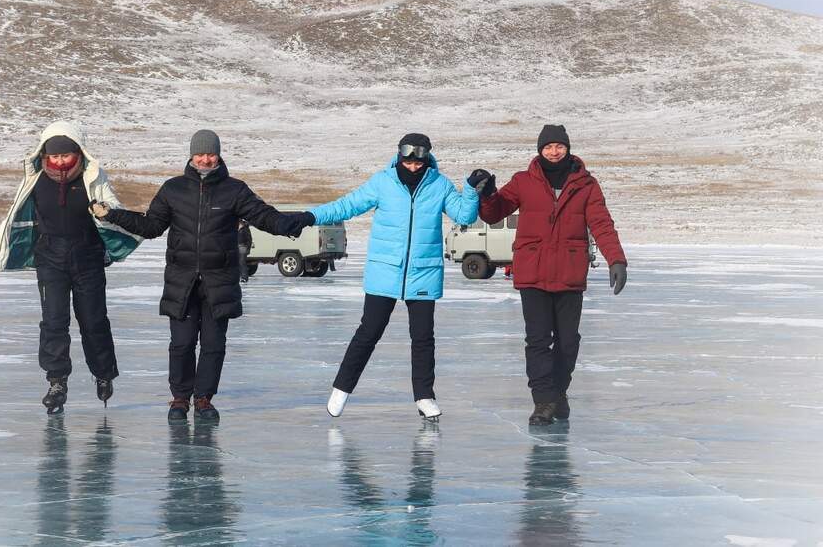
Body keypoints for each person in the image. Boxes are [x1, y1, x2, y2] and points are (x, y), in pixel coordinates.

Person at [90, 130, 308, 422]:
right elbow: (151, 226)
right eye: (200, 154)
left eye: (211, 153)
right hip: (182, 281)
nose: (206, 159)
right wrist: (112, 214)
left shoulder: (235, 190)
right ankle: (180, 399)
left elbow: (264, 216)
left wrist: (294, 223)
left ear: (218, 154)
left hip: (220, 281)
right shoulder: (173, 189)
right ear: (191, 155)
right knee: (181, 344)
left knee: (214, 345)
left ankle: (204, 399)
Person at [303, 133, 480, 421]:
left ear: (426, 158)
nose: (412, 167)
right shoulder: (383, 182)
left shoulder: (439, 184)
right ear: (399, 156)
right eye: (407, 161)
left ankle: (424, 396)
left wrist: (471, 189)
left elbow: (464, 216)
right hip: (385, 270)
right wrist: (309, 217)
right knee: (368, 332)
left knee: (423, 337)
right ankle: (341, 389)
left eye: (417, 162)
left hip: (423, 273)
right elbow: (347, 205)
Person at [0, 121, 141, 414]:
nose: (60, 161)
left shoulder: (93, 177)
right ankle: (56, 381)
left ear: (78, 152)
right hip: (50, 259)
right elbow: (12, 215)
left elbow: (113, 207)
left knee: (93, 321)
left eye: (65, 156)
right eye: (54, 157)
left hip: (88, 258)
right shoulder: (36, 179)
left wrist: (106, 213)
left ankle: (103, 373)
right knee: (53, 322)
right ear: (45, 155)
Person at [474, 124, 627, 426]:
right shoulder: (523, 181)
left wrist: (616, 260)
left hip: (569, 273)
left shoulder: (586, 185)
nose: (553, 152)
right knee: (538, 340)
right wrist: (488, 194)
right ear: (539, 150)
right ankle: (543, 401)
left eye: (559, 146)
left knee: (568, 341)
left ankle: (558, 392)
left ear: (568, 148)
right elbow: (493, 214)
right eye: (548, 147)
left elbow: (602, 224)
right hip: (533, 273)